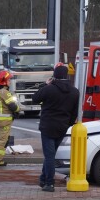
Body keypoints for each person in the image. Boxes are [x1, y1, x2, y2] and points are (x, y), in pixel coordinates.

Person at [32, 64, 79, 192]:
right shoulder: (75, 91)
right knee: (50, 155)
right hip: (62, 127)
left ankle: (49, 183)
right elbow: (74, 113)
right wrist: (67, 124)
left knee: (49, 156)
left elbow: (35, 98)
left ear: (55, 76)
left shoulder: (49, 89)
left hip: (48, 126)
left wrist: (45, 85)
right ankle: (43, 179)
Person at [0, 70, 20, 166]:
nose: (10, 82)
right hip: (5, 122)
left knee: (0, 139)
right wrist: (18, 110)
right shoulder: (5, 92)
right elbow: (13, 106)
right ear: (5, 81)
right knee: (3, 140)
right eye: (9, 80)